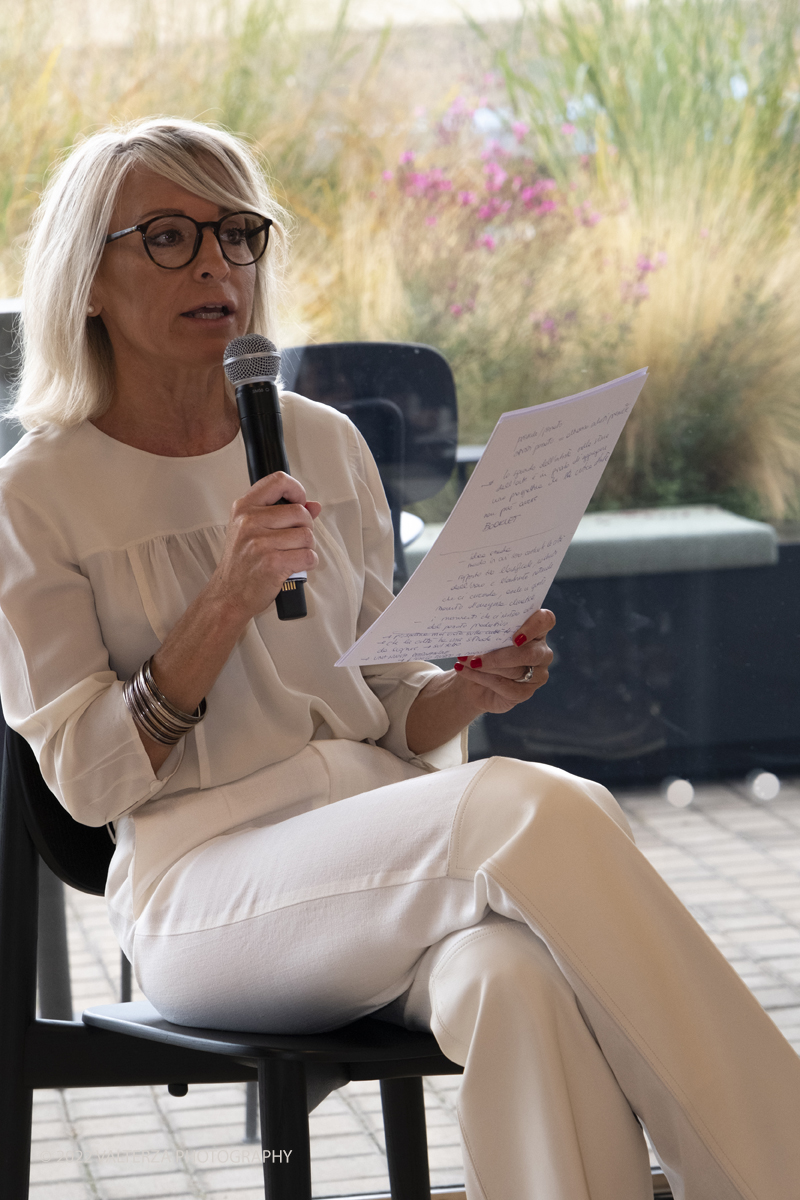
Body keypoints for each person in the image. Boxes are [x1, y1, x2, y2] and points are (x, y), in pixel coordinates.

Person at [0, 117, 797, 1200]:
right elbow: (89, 782)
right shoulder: (37, 495)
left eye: (239, 234)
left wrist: (458, 686)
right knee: (530, 808)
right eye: (170, 236)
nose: (217, 264)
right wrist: (225, 596)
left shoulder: (321, 442)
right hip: (203, 891)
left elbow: (381, 703)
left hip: (374, 846)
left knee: (512, 981)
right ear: (86, 277)